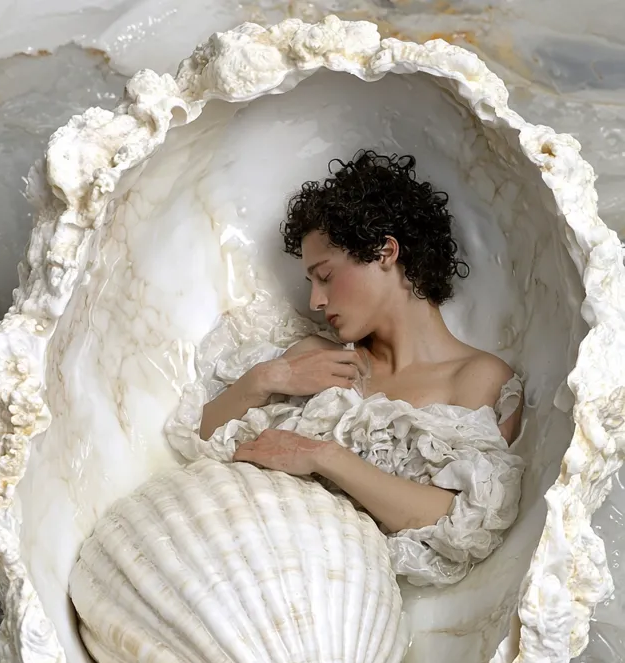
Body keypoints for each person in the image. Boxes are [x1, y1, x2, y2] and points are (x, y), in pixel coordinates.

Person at [190, 151, 525, 585]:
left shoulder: (480, 379)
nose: (316, 301)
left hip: (348, 608)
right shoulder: (314, 359)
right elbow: (200, 439)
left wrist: (325, 457)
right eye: (311, 283)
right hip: (241, 569)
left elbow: (463, 523)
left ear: (386, 252)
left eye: (325, 275)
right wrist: (269, 378)